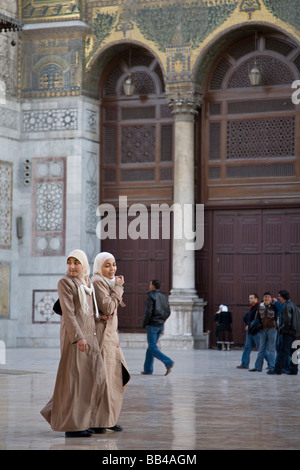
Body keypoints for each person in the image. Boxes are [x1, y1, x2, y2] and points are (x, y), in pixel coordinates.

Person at [40, 249, 106, 438]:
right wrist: (78, 337)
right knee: (75, 381)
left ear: (84, 264)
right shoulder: (65, 283)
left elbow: (89, 310)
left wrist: (100, 318)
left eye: (76, 262)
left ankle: (81, 419)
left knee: (96, 377)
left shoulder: (87, 283)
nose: (72, 266)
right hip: (75, 338)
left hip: (90, 335)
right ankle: (73, 425)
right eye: (69, 262)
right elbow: (68, 313)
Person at [92, 252, 130, 432]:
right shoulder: (98, 282)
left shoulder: (109, 283)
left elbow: (111, 307)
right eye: (107, 265)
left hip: (111, 338)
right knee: (105, 380)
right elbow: (107, 306)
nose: (112, 269)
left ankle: (108, 418)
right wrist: (119, 289)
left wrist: (115, 289)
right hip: (104, 337)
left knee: (116, 377)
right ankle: (100, 421)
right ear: (99, 266)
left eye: (114, 264)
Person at [141, 280, 174, 375]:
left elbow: (148, 311)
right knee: (151, 347)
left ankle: (168, 362)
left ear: (153, 286)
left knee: (152, 347)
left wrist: (145, 323)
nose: (149, 285)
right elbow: (168, 311)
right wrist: (162, 320)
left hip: (153, 325)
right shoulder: (164, 297)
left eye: (150, 284)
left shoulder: (151, 296)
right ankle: (148, 369)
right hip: (160, 325)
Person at [268, 290, 300, 375]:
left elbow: (286, 320)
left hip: (288, 332)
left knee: (283, 351)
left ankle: (277, 369)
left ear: (283, 297)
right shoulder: (294, 305)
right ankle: (294, 370)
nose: (278, 298)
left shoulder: (286, 306)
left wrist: (282, 330)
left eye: (279, 297)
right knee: (293, 352)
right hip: (295, 333)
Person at [249, 292, 278, 373]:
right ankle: (258, 367)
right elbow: (256, 318)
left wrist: (277, 326)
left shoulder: (274, 307)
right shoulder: (260, 307)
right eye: (265, 297)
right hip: (262, 330)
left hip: (272, 329)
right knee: (261, 349)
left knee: (272, 349)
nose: (267, 299)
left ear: (271, 298)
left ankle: (272, 367)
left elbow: (278, 317)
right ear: (263, 298)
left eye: (268, 297)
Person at [237, 293, 260, 369]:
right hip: (250, 331)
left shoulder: (258, 307)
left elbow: (257, 320)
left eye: (251, 298)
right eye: (249, 298)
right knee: (247, 346)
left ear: (256, 299)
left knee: (261, 348)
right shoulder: (252, 307)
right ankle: (244, 363)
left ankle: (271, 364)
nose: (249, 299)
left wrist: (249, 325)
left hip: (255, 331)